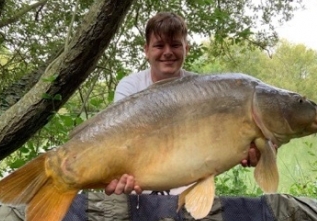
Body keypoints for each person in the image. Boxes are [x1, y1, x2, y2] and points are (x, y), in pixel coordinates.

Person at [105, 12, 259, 196]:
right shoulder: (130, 86)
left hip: (188, 192)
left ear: (187, 48)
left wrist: (253, 149)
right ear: (146, 50)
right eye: (159, 45)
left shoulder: (203, 89)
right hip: (138, 193)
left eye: (176, 45)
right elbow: (120, 140)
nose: (168, 52)